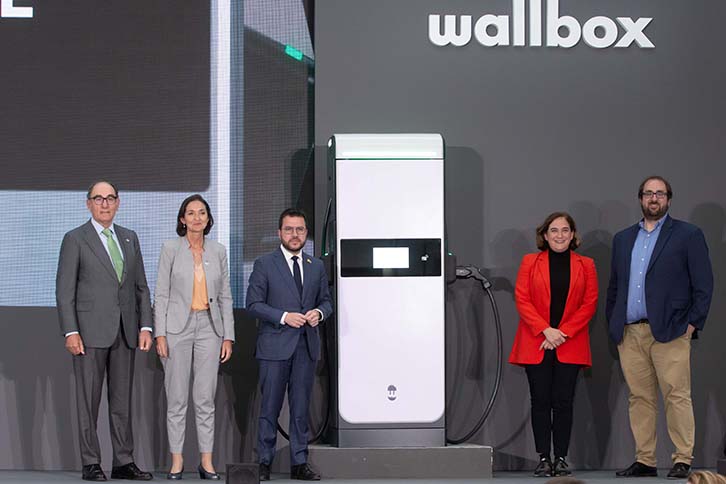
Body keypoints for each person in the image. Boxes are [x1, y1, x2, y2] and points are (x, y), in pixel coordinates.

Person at [606, 176, 713, 479]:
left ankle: (682, 458)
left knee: (676, 395)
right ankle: (645, 460)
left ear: (669, 199)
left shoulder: (688, 235)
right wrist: (614, 323)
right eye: (649, 193)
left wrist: (692, 324)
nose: (654, 198)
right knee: (639, 398)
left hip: (671, 330)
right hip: (630, 333)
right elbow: (615, 286)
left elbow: (704, 284)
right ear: (640, 198)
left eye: (660, 194)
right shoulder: (623, 238)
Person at [56, 181, 153, 481]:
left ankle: (123, 462)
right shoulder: (75, 239)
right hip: (89, 333)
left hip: (125, 331)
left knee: (122, 402)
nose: (105, 203)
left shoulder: (129, 238)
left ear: (118, 202)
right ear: (88, 204)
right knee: (88, 401)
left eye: (110, 198)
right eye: (98, 198)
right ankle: (91, 462)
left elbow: (140, 287)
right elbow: (64, 291)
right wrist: (70, 331)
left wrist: (146, 325)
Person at [246, 208, 333, 481]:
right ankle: (264, 461)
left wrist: (318, 314)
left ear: (306, 233)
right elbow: (253, 304)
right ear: (279, 233)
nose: (295, 235)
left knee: (300, 408)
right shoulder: (264, 264)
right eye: (289, 229)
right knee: (270, 407)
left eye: (300, 230)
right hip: (274, 346)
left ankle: (299, 462)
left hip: (306, 347)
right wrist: (284, 317)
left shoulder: (316, 265)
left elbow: (327, 302)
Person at [509, 212, 598, 478]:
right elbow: (522, 299)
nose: (560, 235)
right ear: (545, 235)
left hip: (569, 344)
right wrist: (546, 331)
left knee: (563, 402)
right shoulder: (529, 262)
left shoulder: (586, 265)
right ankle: (543, 458)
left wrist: (563, 333)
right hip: (537, 342)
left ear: (573, 235)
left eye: (565, 230)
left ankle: (560, 458)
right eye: (554, 230)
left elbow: (589, 303)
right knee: (540, 401)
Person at [154, 194, 235, 480]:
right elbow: (161, 294)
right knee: (176, 398)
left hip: (210, 329)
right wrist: (160, 333)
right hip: (177, 328)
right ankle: (176, 461)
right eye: (191, 213)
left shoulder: (218, 250)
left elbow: (225, 295)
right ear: (182, 219)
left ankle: (206, 462)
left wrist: (228, 336)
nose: (197, 217)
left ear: (209, 219)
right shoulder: (170, 248)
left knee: (205, 399)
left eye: (202, 213)